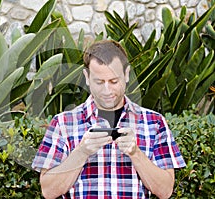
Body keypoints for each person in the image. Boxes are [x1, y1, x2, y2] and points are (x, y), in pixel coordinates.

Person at [32, 40, 186, 199]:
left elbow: (165, 190)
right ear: (87, 76)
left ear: (126, 74)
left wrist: (135, 153)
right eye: (99, 82)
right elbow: (48, 191)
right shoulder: (63, 124)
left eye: (114, 81)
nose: (107, 90)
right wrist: (81, 152)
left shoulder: (154, 122)